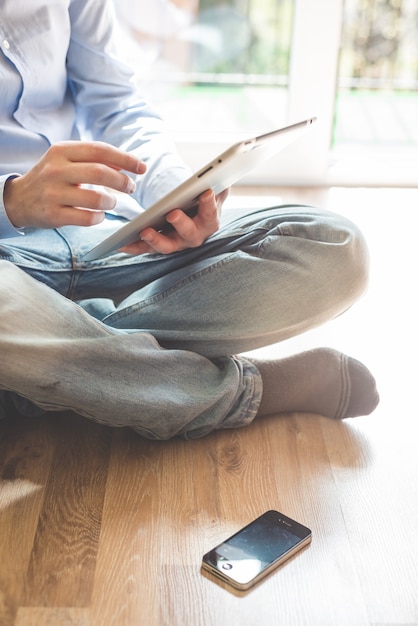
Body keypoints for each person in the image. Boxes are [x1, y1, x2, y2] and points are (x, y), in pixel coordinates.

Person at [0, 0, 379, 440]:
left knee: (334, 246)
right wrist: (12, 201)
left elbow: (114, 102)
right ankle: (236, 392)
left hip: (99, 232)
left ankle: (45, 370)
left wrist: (172, 193)